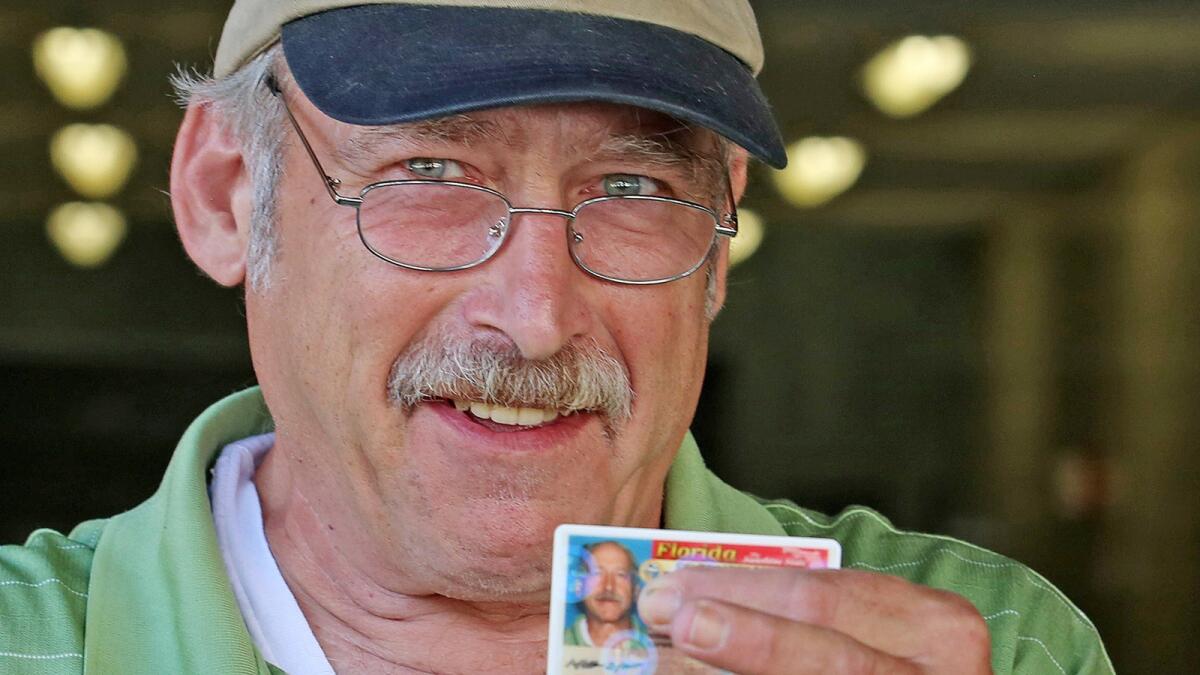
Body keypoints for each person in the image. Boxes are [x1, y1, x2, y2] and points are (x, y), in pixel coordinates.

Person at [0, 1, 1112, 673]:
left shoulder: (987, 646)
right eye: (429, 175)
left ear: (720, 237)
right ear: (225, 193)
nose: (535, 317)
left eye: (631, 185)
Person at [565, 541, 649, 648]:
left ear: (636, 590)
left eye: (620, 575)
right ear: (579, 587)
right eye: (597, 573)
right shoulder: (555, 646)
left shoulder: (660, 649)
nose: (609, 586)